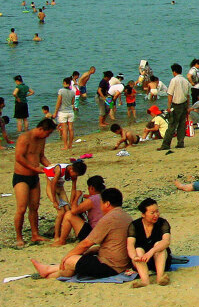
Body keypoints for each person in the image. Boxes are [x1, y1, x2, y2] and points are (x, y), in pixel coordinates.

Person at [31, 187, 132, 281]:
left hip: (111, 266)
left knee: (70, 260)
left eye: (101, 203)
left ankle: (48, 269)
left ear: (107, 204)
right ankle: (51, 274)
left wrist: (67, 256)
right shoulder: (126, 216)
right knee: (84, 255)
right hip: (121, 263)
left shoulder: (109, 219)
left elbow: (86, 243)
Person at [13, 118, 55, 246]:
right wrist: (35, 169)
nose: (48, 136)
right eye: (47, 133)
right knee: (21, 208)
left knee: (34, 207)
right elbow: (19, 157)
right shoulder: (25, 137)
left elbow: (41, 156)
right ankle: (19, 237)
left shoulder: (42, 139)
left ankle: (35, 234)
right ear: (41, 129)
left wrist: (52, 168)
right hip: (22, 177)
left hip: (34, 178)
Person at [127, 198, 172, 287]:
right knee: (138, 249)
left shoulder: (162, 223)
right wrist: (134, 257)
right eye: (152, 213)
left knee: (159, 245)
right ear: (143, 214)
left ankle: (160, 277)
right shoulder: (135, 225)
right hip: (142, 261)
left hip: (161, 260)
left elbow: (166, 242)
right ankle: (145, 280)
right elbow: (130, 244)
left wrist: (151, 252)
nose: (156, 215)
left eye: (157, 211)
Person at [54, 174, 104, 245]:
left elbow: (74, 211)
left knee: (69, 215)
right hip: (104, 231)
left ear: (92, 188)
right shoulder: (105, 196)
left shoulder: (92, 200)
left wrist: (77, 197)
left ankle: (62, 240)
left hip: (94, 233)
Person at [53, 76, 75, 147]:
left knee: (64, 129)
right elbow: (72, 102)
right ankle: (70, 144)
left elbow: (58, 102)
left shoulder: (61, 91)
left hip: (63, 112)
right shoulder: (72, 92)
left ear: (65, 83)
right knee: (71, 129)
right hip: (70, 112)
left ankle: (65, 145)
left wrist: (55, 112)